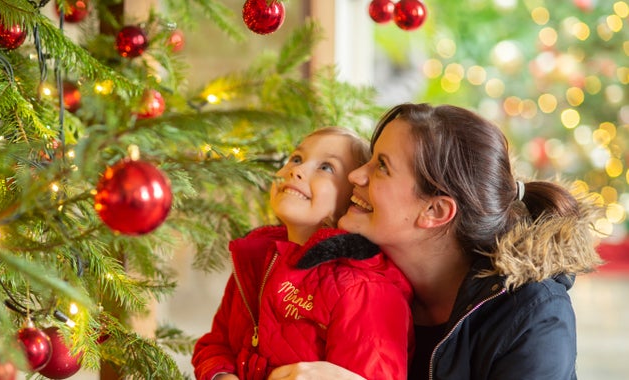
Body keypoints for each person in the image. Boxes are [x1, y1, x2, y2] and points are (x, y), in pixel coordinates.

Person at [268, 103, 603, 380]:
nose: (356, 175)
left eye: (381, 167)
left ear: (434, 210)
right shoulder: (350, 277)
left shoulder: (533, 316)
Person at [191, 127, 415, 380]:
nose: (296, 170)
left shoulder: (364, 289)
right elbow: (215, 344)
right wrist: (222, 376)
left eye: (326, 167)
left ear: (354, 198)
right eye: (296, 158)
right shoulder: (255, 258)